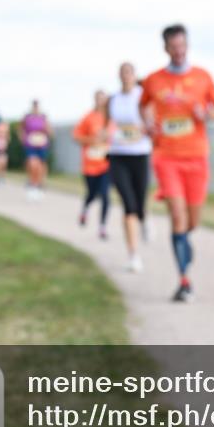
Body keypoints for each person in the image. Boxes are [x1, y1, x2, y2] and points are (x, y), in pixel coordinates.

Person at [141, 23, 214, 303]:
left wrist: (207, 114)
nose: (178, 51)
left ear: (187, 46)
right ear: (165, 48)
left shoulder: (202, 77)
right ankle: (184, 280)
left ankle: (183, 242)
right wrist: (148, 123)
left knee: (192, 221)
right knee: (177, 216)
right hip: (166, 157)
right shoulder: (154, 80)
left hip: (197, 156)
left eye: (182, 46)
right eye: (173, 47)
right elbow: (144, 106)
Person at [107, 62, 152, 272]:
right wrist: (106, 133)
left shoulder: (143, 96)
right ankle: (133, 254)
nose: (126, 76)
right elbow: (107, 123)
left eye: (129, 72)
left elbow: (152, 118)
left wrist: (147, 127)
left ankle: (144, 218)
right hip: (118, 155)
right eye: (122, 72)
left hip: (140, 153)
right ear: (118, 76)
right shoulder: (113, 100)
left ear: (135, 75)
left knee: (139, 200)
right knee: (128, 204)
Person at [73, 90, 112, 240]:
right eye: (98, 99)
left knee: (105, 195)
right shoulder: (88, 117)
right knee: (92, 194)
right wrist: (92, 140)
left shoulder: (111, 118)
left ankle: (103, 227)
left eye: (103, 99)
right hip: (90, 164)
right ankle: (85, 210)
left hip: (106, 164)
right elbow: (76, 136)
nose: (101, 102)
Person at [20, 100, 50, 200]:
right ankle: (32, 184)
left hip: (41, 144)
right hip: (31, 144)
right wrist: (24, 139)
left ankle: (38, 185)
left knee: (40, 166)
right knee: (33, 164)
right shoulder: (27, 117)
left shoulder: (43, 117)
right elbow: (21, 129)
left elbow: (49, 131)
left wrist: (45, 131)